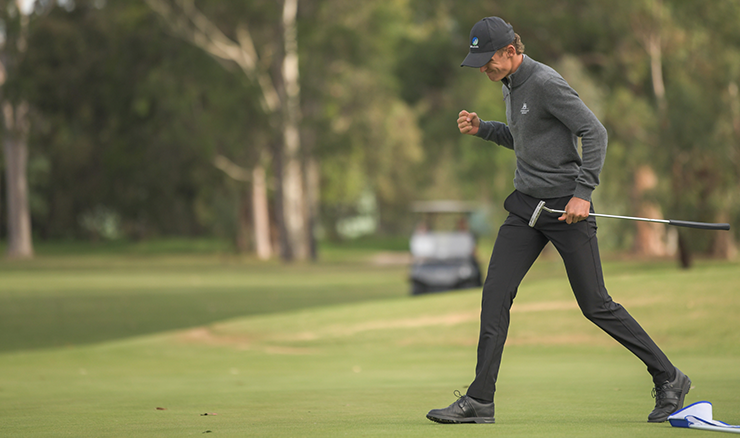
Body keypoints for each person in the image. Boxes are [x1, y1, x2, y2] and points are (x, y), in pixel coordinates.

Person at [426, 16, 691, 425]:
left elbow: (594, 131)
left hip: (567, 210)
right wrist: (484, 129)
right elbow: (525, 138)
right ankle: (480, 401)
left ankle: (669, 377)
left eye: (488, 60)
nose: (483, 68)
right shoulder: (509, 86)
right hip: (526, 209)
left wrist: (583, 193)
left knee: (595, 304)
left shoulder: (546, 82)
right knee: (495, 294)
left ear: (510, 52)